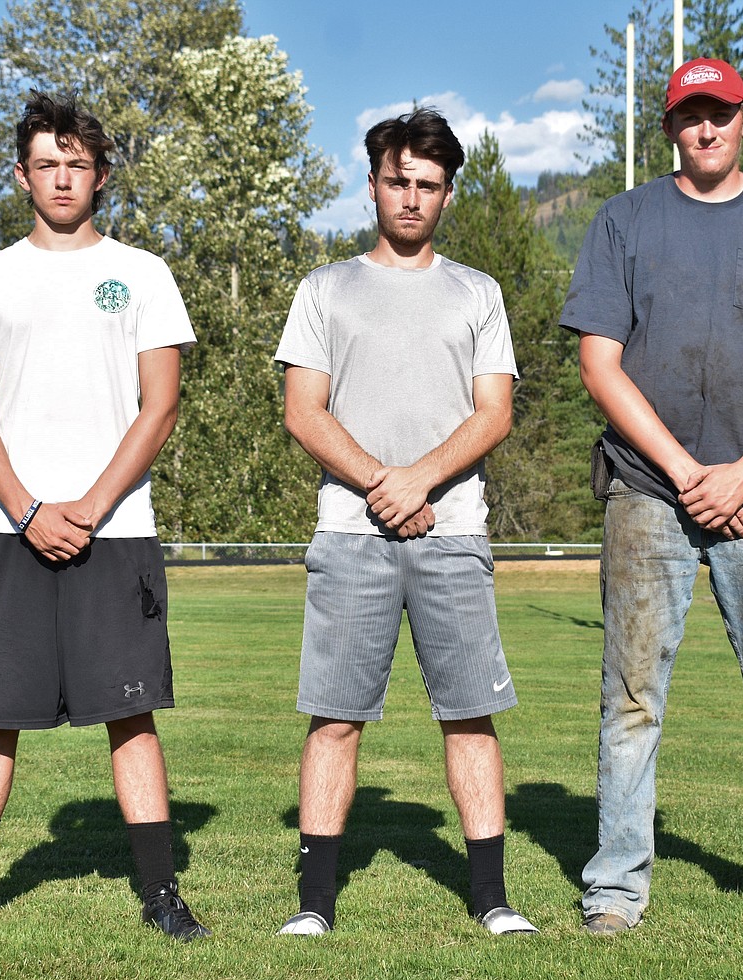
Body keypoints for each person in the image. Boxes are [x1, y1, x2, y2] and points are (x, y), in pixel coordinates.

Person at [559, 58, 743, 937]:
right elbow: (598, 363)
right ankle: (616, 889)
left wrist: (740, 473)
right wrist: (689, 473)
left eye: (720, 112)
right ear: (670, 128)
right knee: (632, 696)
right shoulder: (625, 220)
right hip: (648, 492)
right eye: (690, 115)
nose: (707, 128)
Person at [0, 91, 209, 941]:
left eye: (78, 162)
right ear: (21, 175)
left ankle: (161, 895)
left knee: (131, 709)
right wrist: (31, 510)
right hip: (9, 531)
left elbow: (160, 405)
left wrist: (91, 505)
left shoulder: (144, 273)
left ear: (101, 174)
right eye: (47, 162)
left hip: (117, 531)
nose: (63, 176)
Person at [273, 108, 537, 937]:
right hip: (351, 535)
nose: (411, 198)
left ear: (448, 194)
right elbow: (302, 411)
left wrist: (417, 480)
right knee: (336, 716)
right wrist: (381, 485)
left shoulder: (478, 293)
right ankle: (314, 905)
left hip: (453, 530)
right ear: (375, 183)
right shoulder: (324, 290)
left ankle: (492, 897)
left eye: (428, 185)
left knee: (468, 713)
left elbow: (494, 413)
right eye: (398, 181)